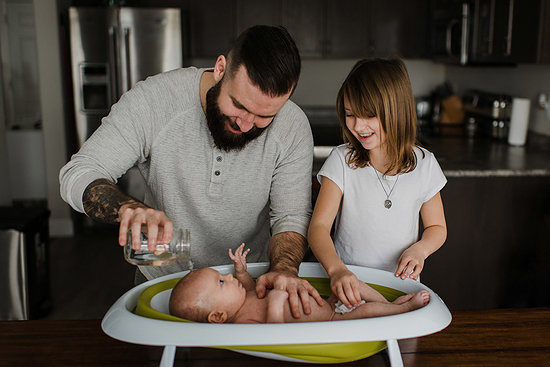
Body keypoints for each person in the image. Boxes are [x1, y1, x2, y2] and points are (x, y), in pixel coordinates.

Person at [59, 25, 323, 317]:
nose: (246, 125)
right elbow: (79, 171)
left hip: (248, 286)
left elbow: (291, 216)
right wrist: (126, 208)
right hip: (161, 277)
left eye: (265, 117)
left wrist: (284, 268)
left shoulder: (292, 126)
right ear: (220, 68)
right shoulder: (155, 100)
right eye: (239, 106)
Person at [307, 58, 447, 310]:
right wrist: (336, 270)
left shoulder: (425, 165)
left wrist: (420, 250)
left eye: (369, 115)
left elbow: (437, 227)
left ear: (397, 111)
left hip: (400, 287)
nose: (358, 126)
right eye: (350, 115)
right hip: (350, 287)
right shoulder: (342, 160)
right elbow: (318, 227)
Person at [169, 243, 430, 323]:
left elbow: (248, 285)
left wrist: (241, 270)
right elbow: (272, 337)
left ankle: (388, 305)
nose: (227, 277)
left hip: (326, 302)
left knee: (353, 284)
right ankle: (401, 311)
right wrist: (275, 303)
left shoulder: (243, 297)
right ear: (218, 316)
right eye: (222, 283)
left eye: (222, 275)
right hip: (328, 321)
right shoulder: (242, 321)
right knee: (363, 311)